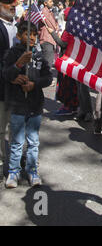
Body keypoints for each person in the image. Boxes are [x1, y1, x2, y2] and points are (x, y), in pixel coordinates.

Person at [3, 21, 52, 188]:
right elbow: (6, 74)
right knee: (16, 141)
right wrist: (19, 64)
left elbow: (48, 78)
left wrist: (34, 84)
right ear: (19, 36)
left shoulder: (39, 55)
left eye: (34, 34)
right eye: (27, 34)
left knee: (33, 141)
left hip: (35, 106)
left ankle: (32, 170)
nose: (31, 37)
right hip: (17, 105)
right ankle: (13, 171)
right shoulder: (12, 53)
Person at [0, 0, 19, 182]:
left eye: (14, 1)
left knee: (19, 129)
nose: (13, 5)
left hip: (20, 91)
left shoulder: (20, 27)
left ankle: (16, 167)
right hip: (3, 89)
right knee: (1, 130)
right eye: (8, 2)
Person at [50, 7, 79, 116]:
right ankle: (73, 106)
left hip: (67, 60)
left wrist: (52, 33)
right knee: (71, 85)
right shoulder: (75, 28)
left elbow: (63, 43)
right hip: (72, 60)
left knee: (67, 85)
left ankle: (68, 106)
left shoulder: (69, 30)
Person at [38, 0, 59, 68]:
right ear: (45, 3)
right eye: (50, 1)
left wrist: (57, 26)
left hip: (51, 40)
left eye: (52, 1)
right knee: (47, 63)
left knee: (48, 62)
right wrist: (56, 27)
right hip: (47, 40)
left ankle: (45, 77)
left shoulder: (50, 12)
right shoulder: (44, 11)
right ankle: (45, 78)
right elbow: (51, 25)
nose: (52, 3)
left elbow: (55, 24)